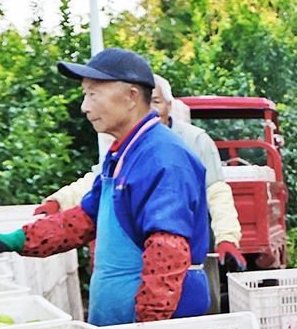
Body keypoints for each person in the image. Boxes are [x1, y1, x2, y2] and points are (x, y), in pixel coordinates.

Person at [0, 48, 212, 325]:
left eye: (93, 94)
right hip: (122, 319)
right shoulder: (123, 154)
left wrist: (148, 327)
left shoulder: (164, 158)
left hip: (159, 324)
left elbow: (167, 249)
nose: (85, 106)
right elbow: (85, 219)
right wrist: (21, 239)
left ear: (132, 96)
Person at [33, 75, 246, 272]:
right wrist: (58, 202)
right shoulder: (125, 144)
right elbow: (98, 182)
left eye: (156, 102)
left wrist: (227, 238)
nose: (150, 109)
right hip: (141, 250)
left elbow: (217, 193)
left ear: (169, 105)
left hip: (189, 249)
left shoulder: (194, 140)